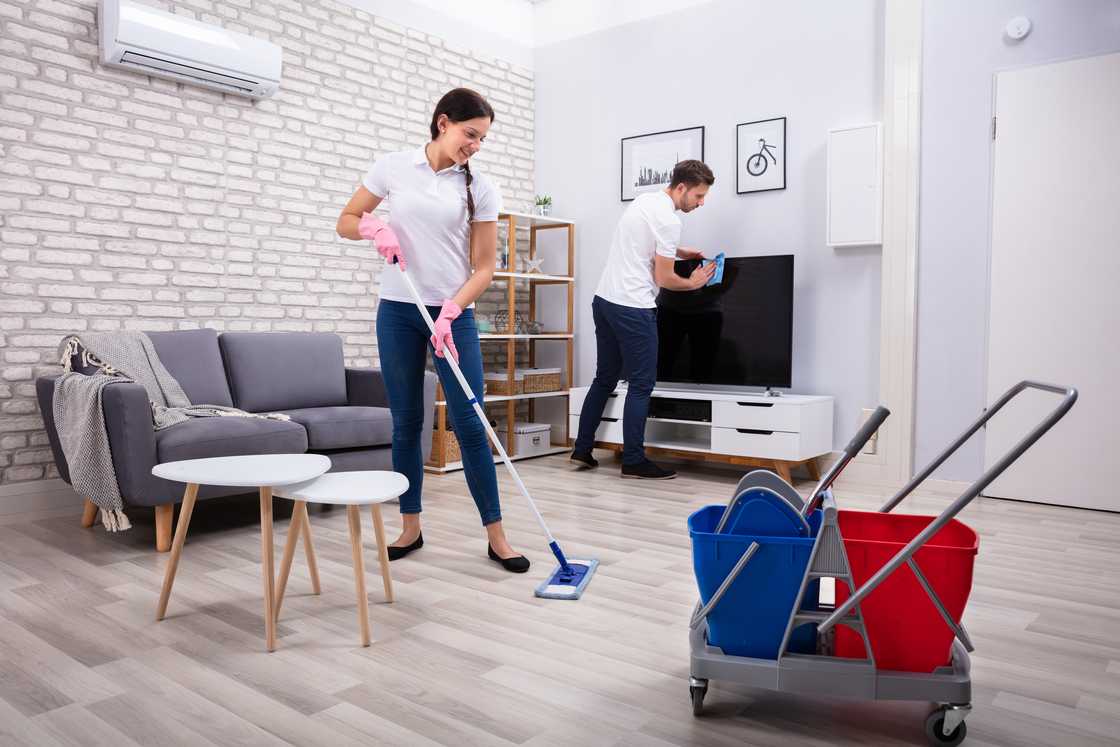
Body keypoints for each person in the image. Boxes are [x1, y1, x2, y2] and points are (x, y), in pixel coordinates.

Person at [336, 88, 529, 573]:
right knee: (406, 423)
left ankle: (497, 536)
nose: (476, 146)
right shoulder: (393, 166)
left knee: (470, 420)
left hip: (452, 313)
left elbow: (485, 267)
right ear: (443, 123)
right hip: (398, 311)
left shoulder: (481, 188)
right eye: (471, 134)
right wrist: (371, 230)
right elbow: (346, 218)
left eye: (482, 138)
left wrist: (451, 311)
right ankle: (410, 526)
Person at [571, 160, 716, 479]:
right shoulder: (670, 221)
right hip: (633, 307)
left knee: (605, 377)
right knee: (641, 383)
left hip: (604, 300)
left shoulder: (646, 201)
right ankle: (634, 460)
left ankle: (582, 448)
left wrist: (680, 252)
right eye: (699, 196)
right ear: (682, 188)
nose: (701, 202)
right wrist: (694, 282)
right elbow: (664, 279)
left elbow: (646, 242)